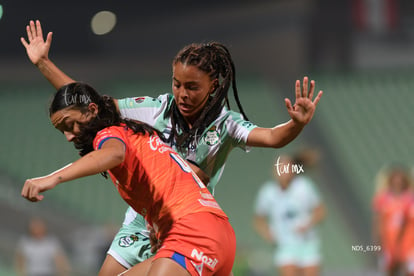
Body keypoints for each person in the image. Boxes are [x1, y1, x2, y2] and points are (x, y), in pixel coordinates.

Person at [21, 20, 323, 276]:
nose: (181, 94)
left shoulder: (226, 124)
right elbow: (89, 107)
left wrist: (295, 124)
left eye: (192, 87)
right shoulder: (153, 109)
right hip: (145, 220)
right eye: (177, 84)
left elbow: (272, 137)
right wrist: (43, 64)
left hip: (189, 219)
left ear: (213, 86)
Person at [21, 82, 236, 276]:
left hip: (193, 233)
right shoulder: (132, 133)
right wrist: (156, 225)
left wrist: (52, 178)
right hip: (213, 232)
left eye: (70, 125)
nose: (69, 136)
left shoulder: (110, 134)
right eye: (63, 131)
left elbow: (113, 154)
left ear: (92, 111)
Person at [253, 154, 326, 276]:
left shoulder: (304, 186)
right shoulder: (268, 192)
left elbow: (320, 211)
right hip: (285, 245)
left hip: (307, 243)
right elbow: (259, 219)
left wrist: (308, 224)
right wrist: (268, 234)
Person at [372, 164, 414, 276]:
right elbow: (378, 221)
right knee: (390, 269)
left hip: (408, 243)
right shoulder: (383, 198)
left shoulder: (410, 198)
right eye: (395, 179)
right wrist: (377, 241)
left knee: (408, 270)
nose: (398, 182)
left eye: (401, 179)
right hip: (389, 242)